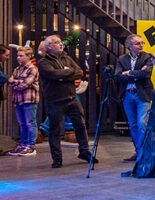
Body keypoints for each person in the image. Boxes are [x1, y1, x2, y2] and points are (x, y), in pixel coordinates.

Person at [37, 36, 96, 168]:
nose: (60, 44)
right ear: (49, 47)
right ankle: (57, 159)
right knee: (55, 130)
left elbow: (79, 72)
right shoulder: (43, 62)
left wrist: (64, 74)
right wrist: (68, 73)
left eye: (59, 41)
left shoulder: (67, 58)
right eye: (56, 42)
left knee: (80, 126)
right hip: (55, 101)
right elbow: (53, 75)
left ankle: (84, 152)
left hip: (72, 99)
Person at [113, 34, 155, 163]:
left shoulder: (147, 57)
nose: (142, 45)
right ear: (129, 46)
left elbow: (146, 74)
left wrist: (129, 73)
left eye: (142, 43)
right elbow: (117, 76)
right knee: (132, 125)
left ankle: (144, 152)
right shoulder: (121, 59)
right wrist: (137, 73)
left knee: (142, 123)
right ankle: (139, 151)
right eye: (138, 43)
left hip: (142, 94)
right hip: (127, 95)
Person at [9, 45, 40, 156]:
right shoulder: (17, 69)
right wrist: (18, 82)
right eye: (18, 55)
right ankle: (23, 145)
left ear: (28, 56)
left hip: (29, 99)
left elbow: (26, 84)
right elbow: (10, 82)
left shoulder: (33, 68)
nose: (18, 57)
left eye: (21, 55)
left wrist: (15, 82)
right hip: (18, 99)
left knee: (30, 123)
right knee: (22, 123)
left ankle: (31, 146)